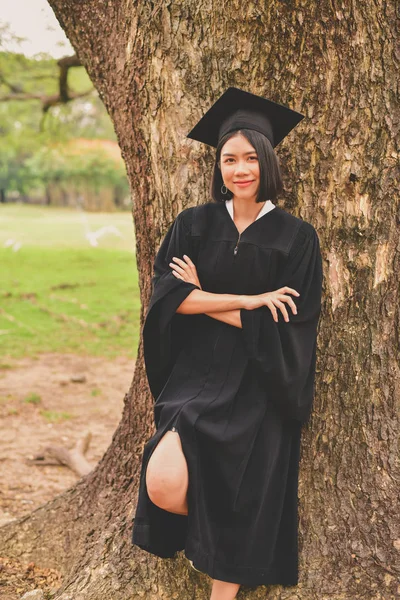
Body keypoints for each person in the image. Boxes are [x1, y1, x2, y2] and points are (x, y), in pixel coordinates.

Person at [132, 87, 323, 599]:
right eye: (229, 159)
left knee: (246, 486)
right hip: (194, 379)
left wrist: (205, 296)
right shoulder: (192, 225)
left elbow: (290, 324)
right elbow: (168, 303)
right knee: (165, 483)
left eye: (251, 158)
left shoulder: (297, 237)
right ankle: (215, 531)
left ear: (268, 161)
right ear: (218, 165)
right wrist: (254, 299)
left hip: (260, 384)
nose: (240, 169)